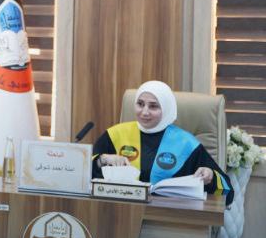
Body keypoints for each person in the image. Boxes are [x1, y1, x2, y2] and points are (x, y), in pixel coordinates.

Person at [92, 80, 233, 204]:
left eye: (153, 106)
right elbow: (83, 174)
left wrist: (210, 176)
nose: (144, 112)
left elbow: (228, 192)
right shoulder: (114, 135)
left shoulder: (187, 144)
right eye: (140, 104)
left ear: (166, 108)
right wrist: (102, 160)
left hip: (170, 217)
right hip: (120, 211)